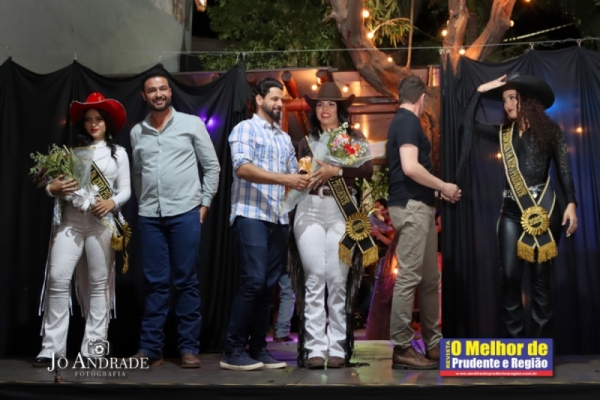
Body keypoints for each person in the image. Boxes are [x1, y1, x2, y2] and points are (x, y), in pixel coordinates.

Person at [458, 73, 578, 338]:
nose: (507, 104)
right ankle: (516, 346)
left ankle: (539, 347)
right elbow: (465, 123)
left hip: (544, 210)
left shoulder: (550, 131)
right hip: (511, 212)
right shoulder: (503, 134)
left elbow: (564, 170)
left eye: (512, 98)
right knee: (510, 278)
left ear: (527, 100)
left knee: (540, 281)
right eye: (504, 100)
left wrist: (571, 203)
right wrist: (480, 90)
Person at [130, 69, 220, 368]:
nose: (158, 94)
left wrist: (204, 205)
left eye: (163, 89)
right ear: (144, 96)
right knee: (154, 283)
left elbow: (212, 167)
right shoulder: (137, 132)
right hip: (150, 216)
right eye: (152, 90)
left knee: (185, 281)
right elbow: (137, 174)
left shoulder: (191, 124)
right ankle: (150, 349)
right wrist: (145, 203)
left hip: (185, 213)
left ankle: (188, 348)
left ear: (170, 92)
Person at [34, 93, 131, 367]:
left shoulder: (118, 153)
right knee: (57, 279)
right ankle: (51, 349)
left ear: (107, 122)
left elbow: (125, 190)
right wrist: (52, 188)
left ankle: (94, 351)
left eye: (98, 119)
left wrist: (112, 202)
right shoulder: (70, 154)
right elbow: (54, 185)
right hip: (71, 222)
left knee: (99, 284)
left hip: (101, 223)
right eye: (88, 120)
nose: (93, 124)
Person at [221, 77, 310, 371]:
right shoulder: (244, 129)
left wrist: (312, 171)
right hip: (250, 214)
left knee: (268, 286)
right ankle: (232, 349)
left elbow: (294, 176)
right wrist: (286, 179)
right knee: (253, 281)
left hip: (278, 218)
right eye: (274, 98)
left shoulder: (284, 138)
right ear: (259, 100)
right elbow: (242, 168)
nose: (279, 104)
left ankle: (258, 347)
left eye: (281, 99)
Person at [292, 82, 374, 369]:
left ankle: (337, 347)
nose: (325, 108)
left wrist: (336, 169)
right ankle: (314, 348)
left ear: (340, 109)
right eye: (320, 104)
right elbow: (301, 171)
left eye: (330, 104)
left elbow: (367, 168)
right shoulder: (307, 140)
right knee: (315, 277)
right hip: (310, 207)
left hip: (342, 209)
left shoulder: (353, 137)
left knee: (338, 279)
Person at [386, 75, 461, 370]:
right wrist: (443, 185)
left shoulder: (404, 121)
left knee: (430, 279)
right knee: (409, 277)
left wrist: (437, 192)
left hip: (420, 205)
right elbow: (410, 167)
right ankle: (402, 347)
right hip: (412, 207)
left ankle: (432, 344)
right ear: (421, 99)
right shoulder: (407, 121)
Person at [273, 272, 295, 343]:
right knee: (287, 294)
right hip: (286, 266)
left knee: (263, 293)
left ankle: (256, 335)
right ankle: (281, 333)